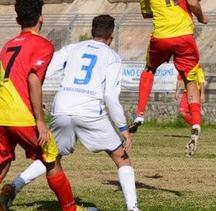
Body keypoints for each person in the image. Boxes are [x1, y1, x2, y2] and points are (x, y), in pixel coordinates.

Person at [3, 15, 138, 211]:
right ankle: (133, 208)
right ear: (110, 36)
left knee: (50, 156)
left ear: (92, 31)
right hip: (90, 110)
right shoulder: (112, 57)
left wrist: (30, 98)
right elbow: (110, 95)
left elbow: (42, 71)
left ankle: (14, 187)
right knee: (121, 157)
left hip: (63, 107)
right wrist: (123, 128)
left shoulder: (73, 48)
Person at [0, 0, 83, 211]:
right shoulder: (42, 44)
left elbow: (11, 79)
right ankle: (70, 208)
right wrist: (39, 120)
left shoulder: (7, 45)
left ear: (18, 21)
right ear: (41, 18)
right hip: (22, 115)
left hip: (2, 113)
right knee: (51, 158)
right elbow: (33, 77)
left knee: (4, 159)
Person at [132, 0, 208, 157]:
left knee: (149, 69)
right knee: (189, 79)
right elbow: (192, 2)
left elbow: (145, 12)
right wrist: (201, 17)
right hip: (185, 37)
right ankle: (196, 124)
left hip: (162, 37)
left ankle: (139, 114)